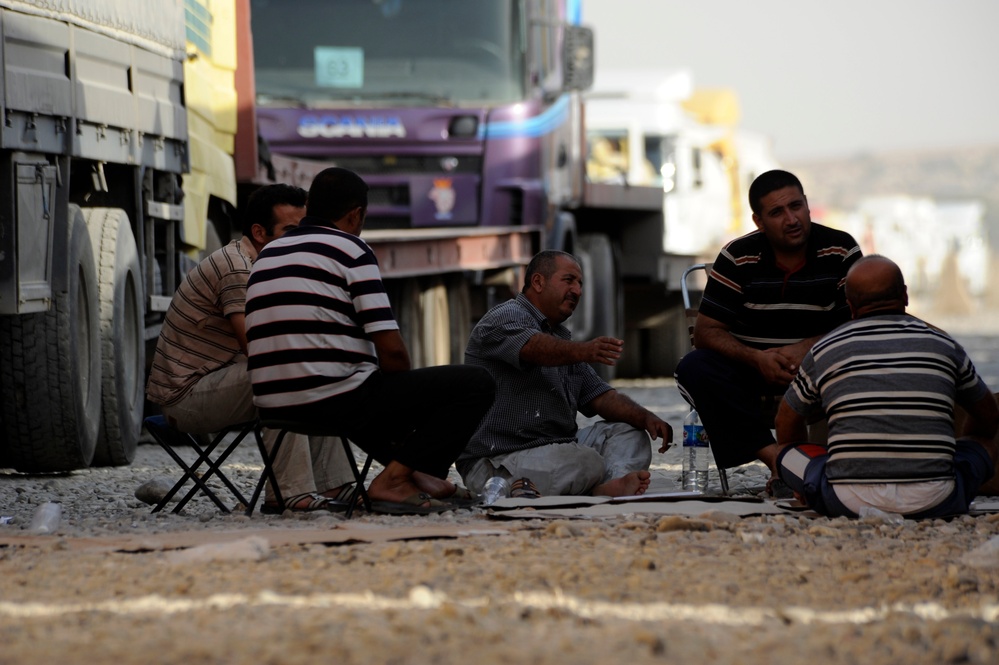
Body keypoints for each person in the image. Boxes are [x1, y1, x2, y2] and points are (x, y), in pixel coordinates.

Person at [244, 167, 496, 514]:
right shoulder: (351, 249)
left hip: (272, 405)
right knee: (475, 384)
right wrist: (404, 395)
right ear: (356, 214)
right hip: (332, 400)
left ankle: (417, 477)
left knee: (363, 385)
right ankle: (395, 480)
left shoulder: (267, 255)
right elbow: (391, 349)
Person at [146, 184, 358, 513]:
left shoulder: (265, 264)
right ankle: (291, 493)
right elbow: (259, 348)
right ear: (259, 232)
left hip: (219, 383)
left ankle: (336, 484)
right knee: (283, 374)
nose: (300, 239)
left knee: (312, 372)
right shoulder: (239, 269)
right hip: (184, 400)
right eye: (290, 231)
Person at [674, 169, 862, 495]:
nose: (792, 219)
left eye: (796, 206)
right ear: (759, 221)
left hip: (822, 373)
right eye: (777, 212)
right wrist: (755, 359)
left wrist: (807, 350)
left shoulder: (840, 250)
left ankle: (848, 465)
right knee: (694, 367)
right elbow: (706, 333)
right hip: (753, 375)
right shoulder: (738, 257)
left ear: (806, 205)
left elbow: (859, 324)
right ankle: (778, 459)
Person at [775, 255, 999, 518]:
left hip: (846, 501)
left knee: (786, 453)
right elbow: (988, 415)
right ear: (905, 296)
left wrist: (812, 475)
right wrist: (961, 444)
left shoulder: (825, 349)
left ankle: (812, 490)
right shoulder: (943, 345)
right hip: (937, 500)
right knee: (984, 443)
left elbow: (785, 422)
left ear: (851, 306)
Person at [456, 250, 673, 498]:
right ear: (538, 282)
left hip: (554, 452)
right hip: (495, 462)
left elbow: (602, 397)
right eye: (569, 280)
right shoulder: (505, 317)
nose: (577, 291)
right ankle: (595, 489)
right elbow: (534, 349)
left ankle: (611, 485)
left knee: (630, 434)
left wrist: (646, 418)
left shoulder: (561, 340)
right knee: (585, 460)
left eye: (580, 284)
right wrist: (585, 350)